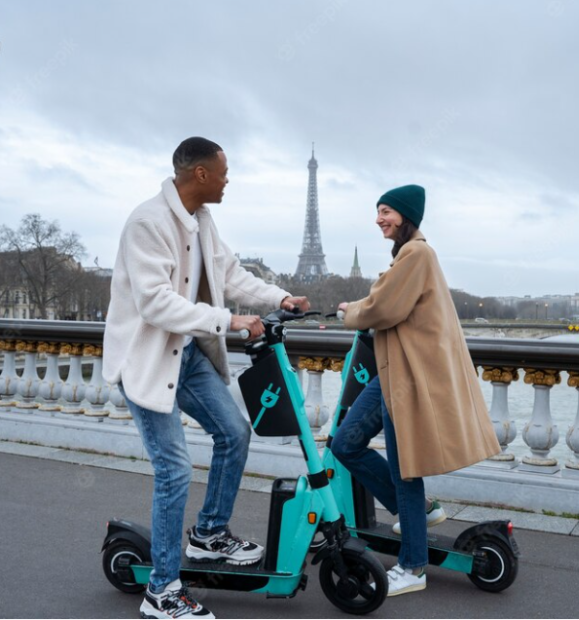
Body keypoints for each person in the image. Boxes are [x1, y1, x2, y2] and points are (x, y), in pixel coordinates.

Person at [103, 137, 310, 620]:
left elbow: (231, 274)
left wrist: (279, 297)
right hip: (147, 360)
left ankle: (209, 533)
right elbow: (154, 302)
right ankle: (162, 591)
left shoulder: (202, 221)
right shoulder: (147, 222)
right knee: (174, 469)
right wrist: (229, 320)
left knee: (234, 432)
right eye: (224, 171)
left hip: (188, 353)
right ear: (201, 173)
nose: (227, 179)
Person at [332, 184, 500, 597]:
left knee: (405, 468)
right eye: (378, 211)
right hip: (392, 373)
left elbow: (384, 308)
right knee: (346, 443)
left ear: (405, 216)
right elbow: (391, 302)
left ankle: (412, 566)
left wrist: (350, 311)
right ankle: (421, 512)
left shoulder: (416, 254)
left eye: (386, 211)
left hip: (407, 376)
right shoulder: (409, 254)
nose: (379, 219)